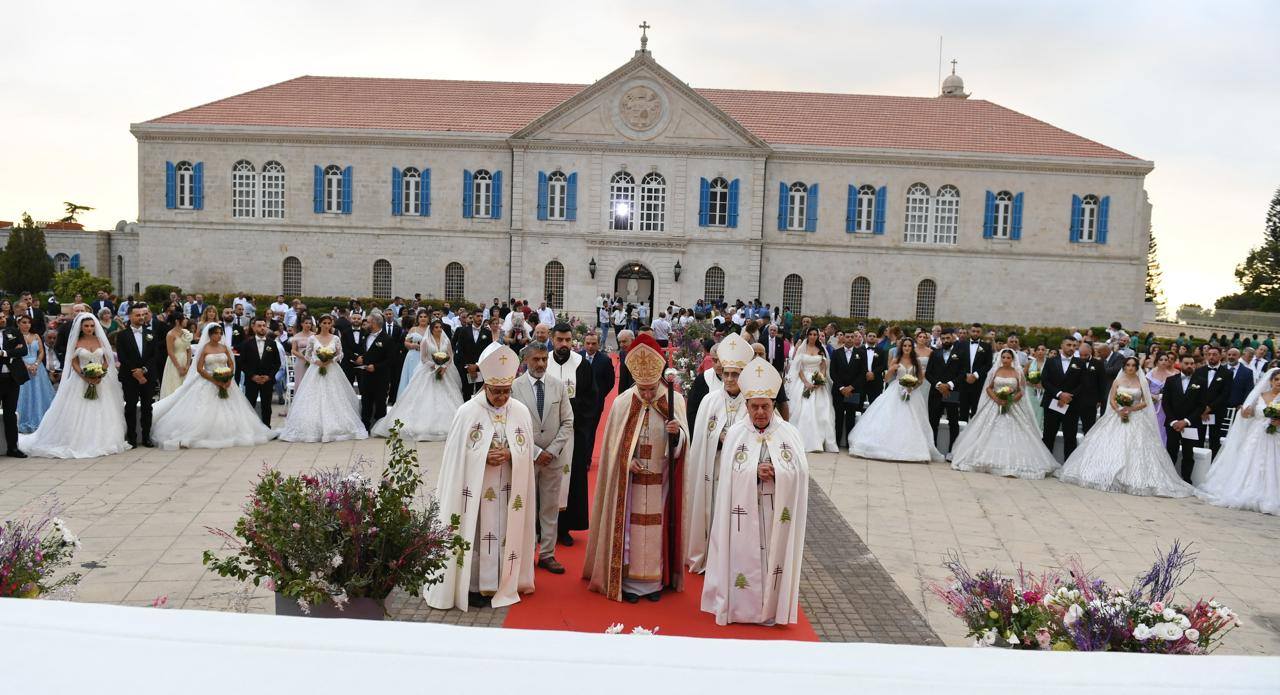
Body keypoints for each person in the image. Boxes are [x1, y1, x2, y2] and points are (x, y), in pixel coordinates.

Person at [427, 344, 536, 611]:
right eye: (496, 391)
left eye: (506, 391)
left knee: (505, 532)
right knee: (476, 534)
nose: (501, 397)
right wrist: (483, 455)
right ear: (485, 386)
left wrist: (511, 453)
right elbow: (455, 457)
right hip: (475, 491)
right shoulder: (467, 412)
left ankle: (504, 581)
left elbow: (527, 451)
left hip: (509, 488)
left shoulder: (520, 411)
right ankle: (474, 585)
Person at [701, 357, 807, 626]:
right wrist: (752, 472)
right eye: (754, 407)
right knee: (744, 557)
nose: (760, 412)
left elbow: (801, 473)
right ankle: (742, 609)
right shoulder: (737, 433)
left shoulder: (789, 433)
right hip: (742, 514)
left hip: (775, 513)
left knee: (773, 557)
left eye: (765, 406)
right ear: (747, 406)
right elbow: (727, 476)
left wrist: (778, 471)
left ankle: (771, 608)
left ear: (773, 406)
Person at [584, 334, 688, 604]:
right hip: (629, 483)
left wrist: (676, 435)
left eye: (652, 389)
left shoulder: (674, 401)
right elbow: (611, 447)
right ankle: (628, 582)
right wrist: (625, 461)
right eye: (643, 389)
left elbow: (684, 445)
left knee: (657, 529)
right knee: (630, 532)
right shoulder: (623, 402)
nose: (648, 395)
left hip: (661, 481)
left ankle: (655, 581)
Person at [1057, 357, 1193, 497]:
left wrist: (1131, 408)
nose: (1130, 368)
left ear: (1137, 367)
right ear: (1124, 367)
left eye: (1133, 365)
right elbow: (1111, 399)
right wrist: (1118, 410)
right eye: (1128, 365)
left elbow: (1146, 402)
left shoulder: (1142, 381)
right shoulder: (1117, 381)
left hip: (1136, 417)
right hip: (1117, 415)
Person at [685, 333, 753, 574]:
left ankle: (733, 560)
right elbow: (701, 437)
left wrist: (732, 438)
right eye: (726, 374)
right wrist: (718, 438)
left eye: (736, 374)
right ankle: (709, 556)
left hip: (740, 472)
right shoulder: (710, 401)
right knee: (712, 511)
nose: (730, 379)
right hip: (713, 468)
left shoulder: (752, 402)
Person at [150, 324, 278, 450]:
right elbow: (199, 368)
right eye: (216, 333)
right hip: (208, 380)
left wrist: (228, 377)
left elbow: (231, 364)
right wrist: (214, 380)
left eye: (220, 333)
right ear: (210, 335)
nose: (219, 336)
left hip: (226, 381)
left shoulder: (224, 347)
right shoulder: (205, 348)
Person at [19, 313, 129, 458]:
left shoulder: (101, 340)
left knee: (104, 409)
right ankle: (78, 440)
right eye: (86, 326)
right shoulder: (76, 342)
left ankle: (103, 440)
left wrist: (100, 373)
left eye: (92, 326)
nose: (89, 328)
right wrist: (84, 376)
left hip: (100, 380)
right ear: (81, 327)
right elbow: (74, 362)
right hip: (80, 380)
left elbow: (106, 359)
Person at [510, 342, 573, 574]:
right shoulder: (514, 387)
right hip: (526, 458)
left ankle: (547, 554)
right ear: (526, 360)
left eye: (544, 359)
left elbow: (568, 422)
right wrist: (536, 452)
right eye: (536, 359)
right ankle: (526, 554)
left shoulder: (558, 386)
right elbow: (511, 425)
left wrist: (552, 451)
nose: (541, 364)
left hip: (553, 459)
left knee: (550, 508)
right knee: (525, 507)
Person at [949, 348, 1059, 479]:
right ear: (1000, 358)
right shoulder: (995, 371)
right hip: (994, 404)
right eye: (1003, 357)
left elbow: (1021, 391)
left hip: (1012, 405)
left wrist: (1010, 400)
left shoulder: (1017, 372)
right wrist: (996, 399)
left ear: (1012, 359)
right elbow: (988, 388)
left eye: (1008, 358)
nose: (1005, 360)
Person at [1196, 367, 1280, 515]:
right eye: (1277, 379)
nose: (1279, 382)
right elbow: (1249, 414)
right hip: (1256, 434)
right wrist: (1245, 412)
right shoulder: (1260, 396)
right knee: (1250, 461)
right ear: (1271, 381)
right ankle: (1247, 490)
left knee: (1272, 462)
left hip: (1274, 436)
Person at [849, 337, 943, 463]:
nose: (907, 348)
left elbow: (921, 379)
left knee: (912, 419)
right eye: (905, 346)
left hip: (912, 393)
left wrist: (912, 387)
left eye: (909, 346)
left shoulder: (916, 361)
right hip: (896, 390)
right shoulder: (896, 359)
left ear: (912, 347)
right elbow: (886, 379)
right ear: (901, 347)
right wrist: (891, 369)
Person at [278, 315, 367, 443]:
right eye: (324, 323)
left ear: (331, 324)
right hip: (315, 369)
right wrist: (316, 361)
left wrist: (330, 359)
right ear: (319, 324)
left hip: (332, 369)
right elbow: (307, 355)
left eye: (329, 323)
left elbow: (340, 354)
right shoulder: (313, 338)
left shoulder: (335, 338)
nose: (326, 325)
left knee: (334, 395)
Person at [546, 323, 597, 544]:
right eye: (560, 340)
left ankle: (564, 528)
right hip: (545, 434)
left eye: (568, 340)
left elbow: (591, 398)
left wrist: (572, 412)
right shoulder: (543, 361)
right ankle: (541, 526)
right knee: (544, 479)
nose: (564, 344)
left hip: (573, 434)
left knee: (571, 479)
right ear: (552, 339)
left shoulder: (581, 364)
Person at [371, 319, 462, 441]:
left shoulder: (446, 341)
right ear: (432, 329)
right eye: (436, 327)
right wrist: (435, 366)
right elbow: (423, 358)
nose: (439, 329)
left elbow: (450, 356)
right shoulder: (425, 341)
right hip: (428, 372)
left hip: (444, 372)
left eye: (440, 327)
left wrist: (444, 366)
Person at [785, 327, 838, 453]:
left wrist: (819, 381)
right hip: (803, 381)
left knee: (821, 411)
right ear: (807, 335)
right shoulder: (801, 349)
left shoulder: (821, 349)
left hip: (818, 382)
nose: (813, 336)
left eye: (815, 334)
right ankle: (800, 440)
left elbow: (823, 367)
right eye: (811, 334)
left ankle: (819, 441)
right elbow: (798, 368)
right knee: (803, 409)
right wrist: (806, 383)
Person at [115, 305, 160, 448]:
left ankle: (146, 437)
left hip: (148, 376)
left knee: (147, 407)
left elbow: (155, 355)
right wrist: (135, 371)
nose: (141, 317)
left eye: (143, 315)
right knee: (130, 407)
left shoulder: (151, 333)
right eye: (137, 315)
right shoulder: (122, 335)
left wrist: (144, 369)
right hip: (129, 376)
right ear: (130, 316)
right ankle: (132, 438)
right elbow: (122, 356)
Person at [1161, 355, 1203, 483]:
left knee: (1188, 454)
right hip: (1172, 424)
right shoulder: (1170, 380)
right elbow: (1165, 403)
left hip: (1190, 424)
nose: (1189, 366)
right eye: (1186, 363)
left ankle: (1186, 480)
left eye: (1191, 363)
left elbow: (1201, 405)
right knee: (1171, 451)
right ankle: (1168, 479)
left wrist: (1186, 421)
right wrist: (1173, 421)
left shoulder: (1201, 381)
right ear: (1180, 364)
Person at [1040, 336, 1083, 459]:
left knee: (1070, 437)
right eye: (1069, 345)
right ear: (1062, 345)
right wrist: (1059, 394)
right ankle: (1046, 463)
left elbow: (1083, 383)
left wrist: (1068, 397)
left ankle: (1068, 465)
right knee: (1048, 436)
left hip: (1071, 405)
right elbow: (1045, 381)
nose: (1072, 348)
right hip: (1052, 403)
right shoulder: (1050, 361)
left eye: (1074, 346)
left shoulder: (1080, 363)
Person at [236, 318, 282, 427]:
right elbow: (242, 363)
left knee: (266, 406)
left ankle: (267, 427)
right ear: (254, 327)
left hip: (267, 381)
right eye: (259, 326)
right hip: (251, 380)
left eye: (264, 325)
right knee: (250, 405)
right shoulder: (247, 343)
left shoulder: (272, 344)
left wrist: (269, 376)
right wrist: (252, 376)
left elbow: (277, 363)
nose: (262, 328)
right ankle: (250, 428)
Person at [352, 313, 393, 430]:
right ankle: (365, 426)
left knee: (380, 402)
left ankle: (379, 427)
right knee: (366, 401)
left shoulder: (387, 339)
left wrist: (376, 367)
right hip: (365, 375)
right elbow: (363, 351)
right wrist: (359, 358)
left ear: (374, 323)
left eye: (368, 322)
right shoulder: (365, 336)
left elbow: (390, 360)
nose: (365, 324)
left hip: (380, 377)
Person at [927, 329, 963, 453]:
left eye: (948, 338)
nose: (945, 340)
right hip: (936, 392)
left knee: (953, 422)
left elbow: (962, 373)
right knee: (933, 421)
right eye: (943, 338)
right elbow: (928, 373)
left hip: (951, 392)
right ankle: (933, 450)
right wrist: (939, 385)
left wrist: (949, 385)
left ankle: (952, 451)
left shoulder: (960, 353)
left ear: (953, 338)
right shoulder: (934, 353)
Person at [15, 315, 53, 434]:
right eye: (24, 322)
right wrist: (27, 366)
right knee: (24, 393)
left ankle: (41, 419)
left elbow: (41, 352)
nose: (27, 325)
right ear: (18, 324)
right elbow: (16, 353)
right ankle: (23, 419)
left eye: (29, 322)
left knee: (39, 392)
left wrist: (36, 364)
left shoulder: (36, 336)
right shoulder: (15, 337)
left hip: (37, 368)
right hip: (21, 367)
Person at [829, 331, 863, 450]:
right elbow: (832, 372)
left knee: (850, 417)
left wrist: (851, 387)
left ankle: (849, 444)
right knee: (838, 417)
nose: (849, 339)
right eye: (847, 337)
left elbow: (862, 373)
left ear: (855, 338)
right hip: (839, 391)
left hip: (853, 391)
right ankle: (837, 443)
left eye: (852, 337)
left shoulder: (861, 353)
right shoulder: (836, 353)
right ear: (843, 338)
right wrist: (841, 387)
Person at [1194, 346, 1229, 457]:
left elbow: (1225, 394)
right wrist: (1202, 408)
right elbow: (1195, 391)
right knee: (1198, 437)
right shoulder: (1199, 371)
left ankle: (1213, 462)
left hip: (1217, 411)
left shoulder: (1227, 373)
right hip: (1200, 411)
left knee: (1214, 439)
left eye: (1214, 354)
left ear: (1220, 356)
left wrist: (1209, 408)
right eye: (1209, 354)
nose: (1211, 357)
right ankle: (1197, 462)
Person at [953, 323, 992, 421]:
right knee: (963, 408)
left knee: (976, 409)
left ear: (981, 333)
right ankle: (962, 429)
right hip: (963, 381)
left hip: (979, 382)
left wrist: (975, 375)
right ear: (970, 331)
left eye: (978, 331)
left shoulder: (986, 346)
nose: (975, 333)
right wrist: (965, 375)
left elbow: (988, 364)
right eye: (973, 331)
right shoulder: (961, 345)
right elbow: (956, 362)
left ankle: (974, 429)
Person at [452, 310, 491, 399]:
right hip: (466, 367)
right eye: (478, 316)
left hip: (481, 367)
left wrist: (477, 365)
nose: (480, 318)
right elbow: (460, 350)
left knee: (480, 392)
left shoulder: (487, 333)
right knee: (467, 392)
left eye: (481, 316)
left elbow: (488, 351)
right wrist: (467, 366)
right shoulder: (464, 331)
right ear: (473, 317)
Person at [685, 343, 722, 434]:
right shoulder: (703, 379)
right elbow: (692, 410)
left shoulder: (735, 379)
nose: (718, 365)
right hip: (706, 432)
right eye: (714, 360)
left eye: (721, 360)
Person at [159, 314, 194, 400]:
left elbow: (189, 350)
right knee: (174, 384)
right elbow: (170, 352)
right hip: (174, 361)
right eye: (184, 319)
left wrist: (187, 365)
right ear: (177, 321)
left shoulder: (186, 332)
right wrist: (179, 368)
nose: (186, 321)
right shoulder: (170, 334)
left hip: (185, 359)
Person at [398, 310, 430, 400]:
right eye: (421, 317)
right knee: (413, 377)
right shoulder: (413, 329)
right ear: (418, 318)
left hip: (427, 357)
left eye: (425, 317)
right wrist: (413, 345)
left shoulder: (431, 329)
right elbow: (406, 342)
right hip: (413, 356)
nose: (423, 318)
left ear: (428, 318)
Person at [288, 315, 315, 390]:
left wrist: (311, 357)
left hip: (312, 361)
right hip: (300, 361)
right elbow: (293, 350)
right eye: (306, 323)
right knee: (300, 381)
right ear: (302, 324)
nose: (308, 325)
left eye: (310, 323)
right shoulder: (297, 336)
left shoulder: (314, 335)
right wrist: (303, 357)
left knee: (311, 381)